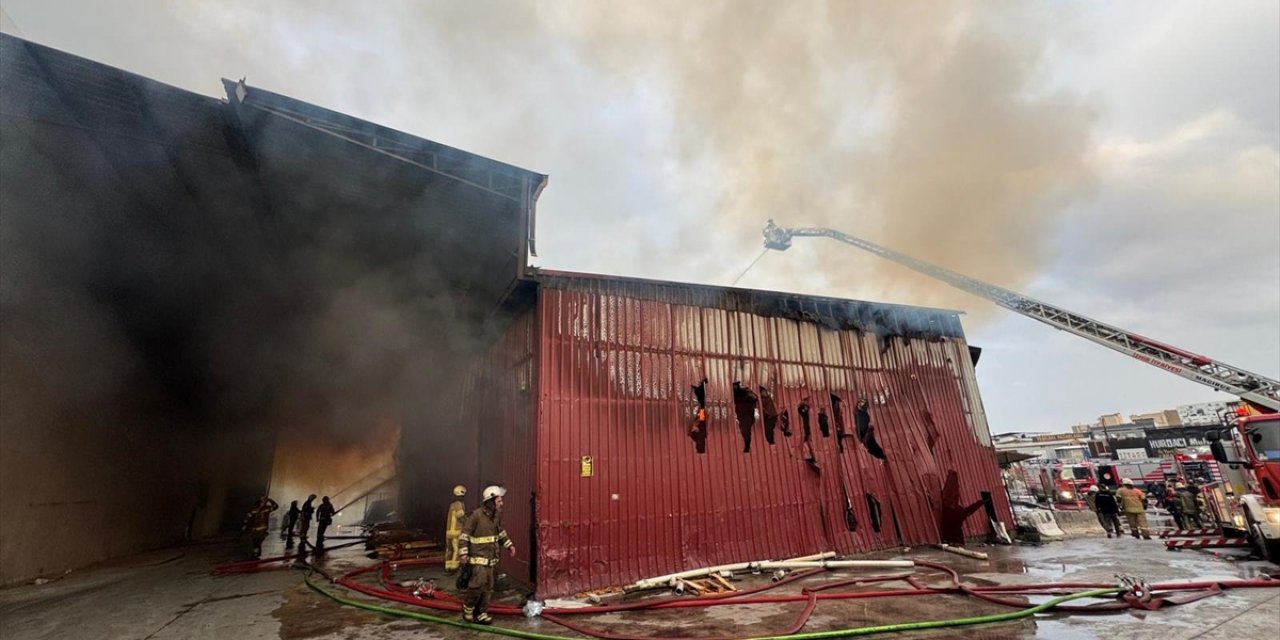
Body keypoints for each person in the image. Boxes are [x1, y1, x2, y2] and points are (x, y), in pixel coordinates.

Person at [459, 485, 517, 625]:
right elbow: (464, 534)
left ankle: (482, 613)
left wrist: (509, 544)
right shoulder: (476, 516)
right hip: (478, 559)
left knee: (488, 588)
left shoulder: (495, 516)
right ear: (490, 501)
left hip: (491, 560)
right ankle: (468, 608)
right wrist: (463, 553)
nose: (501, 503)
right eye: (499, 501)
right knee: (476, 586)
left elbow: (499, 532)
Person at [445, 485, 468, 573]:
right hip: (456, 533)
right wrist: (469, 522)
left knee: (449, 550)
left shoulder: (452, 505)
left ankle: (448, 567)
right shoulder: (459, 504)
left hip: (449, 533)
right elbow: (461, 516)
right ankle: (454, 568)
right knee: (456, 550)